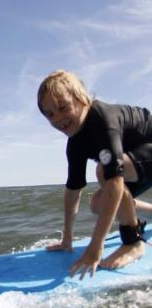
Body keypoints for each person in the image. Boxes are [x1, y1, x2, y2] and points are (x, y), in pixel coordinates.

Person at [37, 70, 151, 280]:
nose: (58, 118)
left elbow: (115, 181)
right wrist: (67, 238)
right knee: (97, 204)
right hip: (138, 165)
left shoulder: (102, 119)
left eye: (63, 107)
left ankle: (133, 242)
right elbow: (73, 191)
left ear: (81, 99)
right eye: (50, 114)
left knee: (104, 171)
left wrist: (95, 246)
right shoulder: (75, 143)